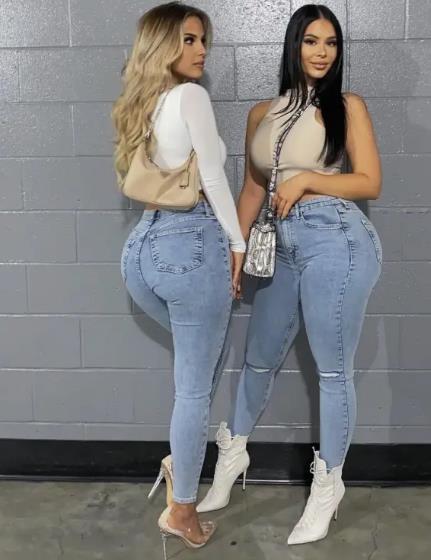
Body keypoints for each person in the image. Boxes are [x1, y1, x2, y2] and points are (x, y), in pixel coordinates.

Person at [198, 3, 383, 546]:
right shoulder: (261, 112)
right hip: (280, 243)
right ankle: (233, 456)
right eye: (311, 41)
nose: (322, 52)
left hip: (337, 238)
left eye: (331, 43)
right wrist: (235, 248)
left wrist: (307, 181)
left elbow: (369, 181)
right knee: (259, 356)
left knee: (333, 370)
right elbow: (254, 188)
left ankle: (328, 485)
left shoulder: (347, 106)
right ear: (294, 45)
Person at [111, 2, 246, 553]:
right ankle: (183, 510)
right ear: (163, 43)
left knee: (203, 360)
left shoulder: (144, 101)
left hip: (142, 248)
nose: (201, 50)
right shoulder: (191, 96)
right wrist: (237, 242)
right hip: (191, 244)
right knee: (193, 385)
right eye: (189, 39)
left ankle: (179, 462)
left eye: (202, 40)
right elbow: (211, 175)